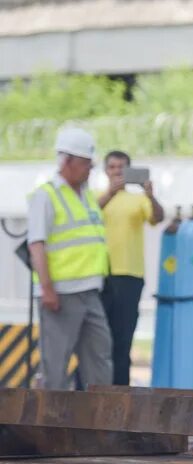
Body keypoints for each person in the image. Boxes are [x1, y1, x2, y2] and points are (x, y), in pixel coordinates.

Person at [27, 128, 112, 390]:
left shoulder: (86, 196)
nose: (89, 170)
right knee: (56, 365)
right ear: (66, 161)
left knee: (100, 360)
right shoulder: (46, 195)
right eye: (85, 164)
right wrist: (48, 289)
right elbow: (36, 245)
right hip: (61, 296)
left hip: (90, 292)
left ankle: (98, 425)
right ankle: (52, 427)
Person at [97, 150, 165, 385]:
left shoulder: (138, 200)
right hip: (100, 275)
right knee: (95, 339)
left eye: (121, 167)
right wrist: (110, 193)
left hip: (129, 276)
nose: (117, 172)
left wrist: (151, 196)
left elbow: (158, 217)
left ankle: (119, 391)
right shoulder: (96, 197)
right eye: (113, 167)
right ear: (106, 171)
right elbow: (89, 215)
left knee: (123, 339)